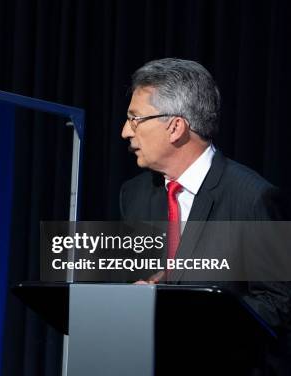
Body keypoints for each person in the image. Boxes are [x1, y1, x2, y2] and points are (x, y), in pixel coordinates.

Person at [119, 58, 291, 374]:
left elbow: (278, 305)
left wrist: (191, 311)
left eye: (135, 118)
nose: (125, 131)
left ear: (175, 127)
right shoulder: (134, 195)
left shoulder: (253, 198)